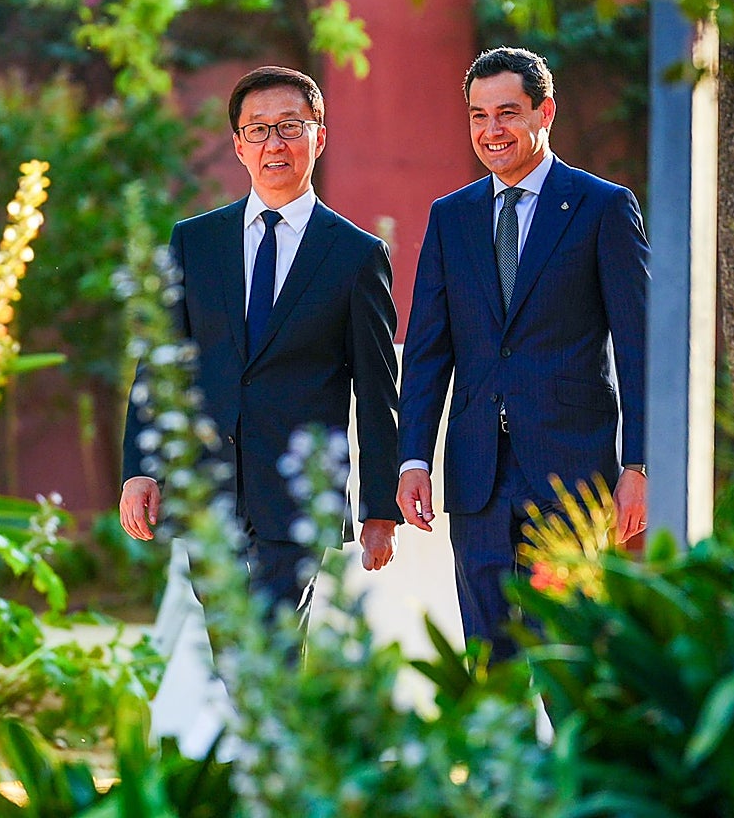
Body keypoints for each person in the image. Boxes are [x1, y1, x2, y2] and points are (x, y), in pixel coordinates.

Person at [120, 66, 401, 627]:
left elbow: (376, 388)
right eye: (258, 130)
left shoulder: (355, 255)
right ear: (238, 146)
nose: (275, 144)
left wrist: (378, 508)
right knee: (228, 639)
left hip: (299, 490)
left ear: (319, 137)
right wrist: (140, 468)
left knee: (273, 636)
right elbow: (162, 362)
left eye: (290, 127)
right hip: (208, 484)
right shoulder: (194, 242)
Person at [396, 47, 650, 662]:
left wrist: (640, 465)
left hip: (573, 472)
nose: (492, 131)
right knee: (490, 666)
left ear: (546, 112)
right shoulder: (450, 217)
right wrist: (412, 459)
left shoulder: (602, 208)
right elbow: (429, 350)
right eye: (479, 116)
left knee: (570, 659)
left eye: (507, 113)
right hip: (479, 475)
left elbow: (641, 345)